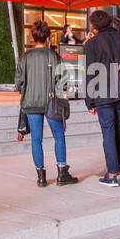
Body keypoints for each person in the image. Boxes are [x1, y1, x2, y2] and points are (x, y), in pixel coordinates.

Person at [15, 20, 77, 187]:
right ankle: (62, 174)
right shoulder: (54, 56)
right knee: (59, 136)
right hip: (52, 103)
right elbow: (63, 81)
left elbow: (18, 84)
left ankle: (41, 177)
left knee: (36, 139)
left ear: (33, 37)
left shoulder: (25, 57)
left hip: (30, 103)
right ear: (48, 37)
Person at [84, 9, 120, 186]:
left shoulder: (91, 45)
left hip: (102, 94)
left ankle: (112, 175)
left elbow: (89, 75)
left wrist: (89, 101)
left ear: (92, 26)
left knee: (108, 133)